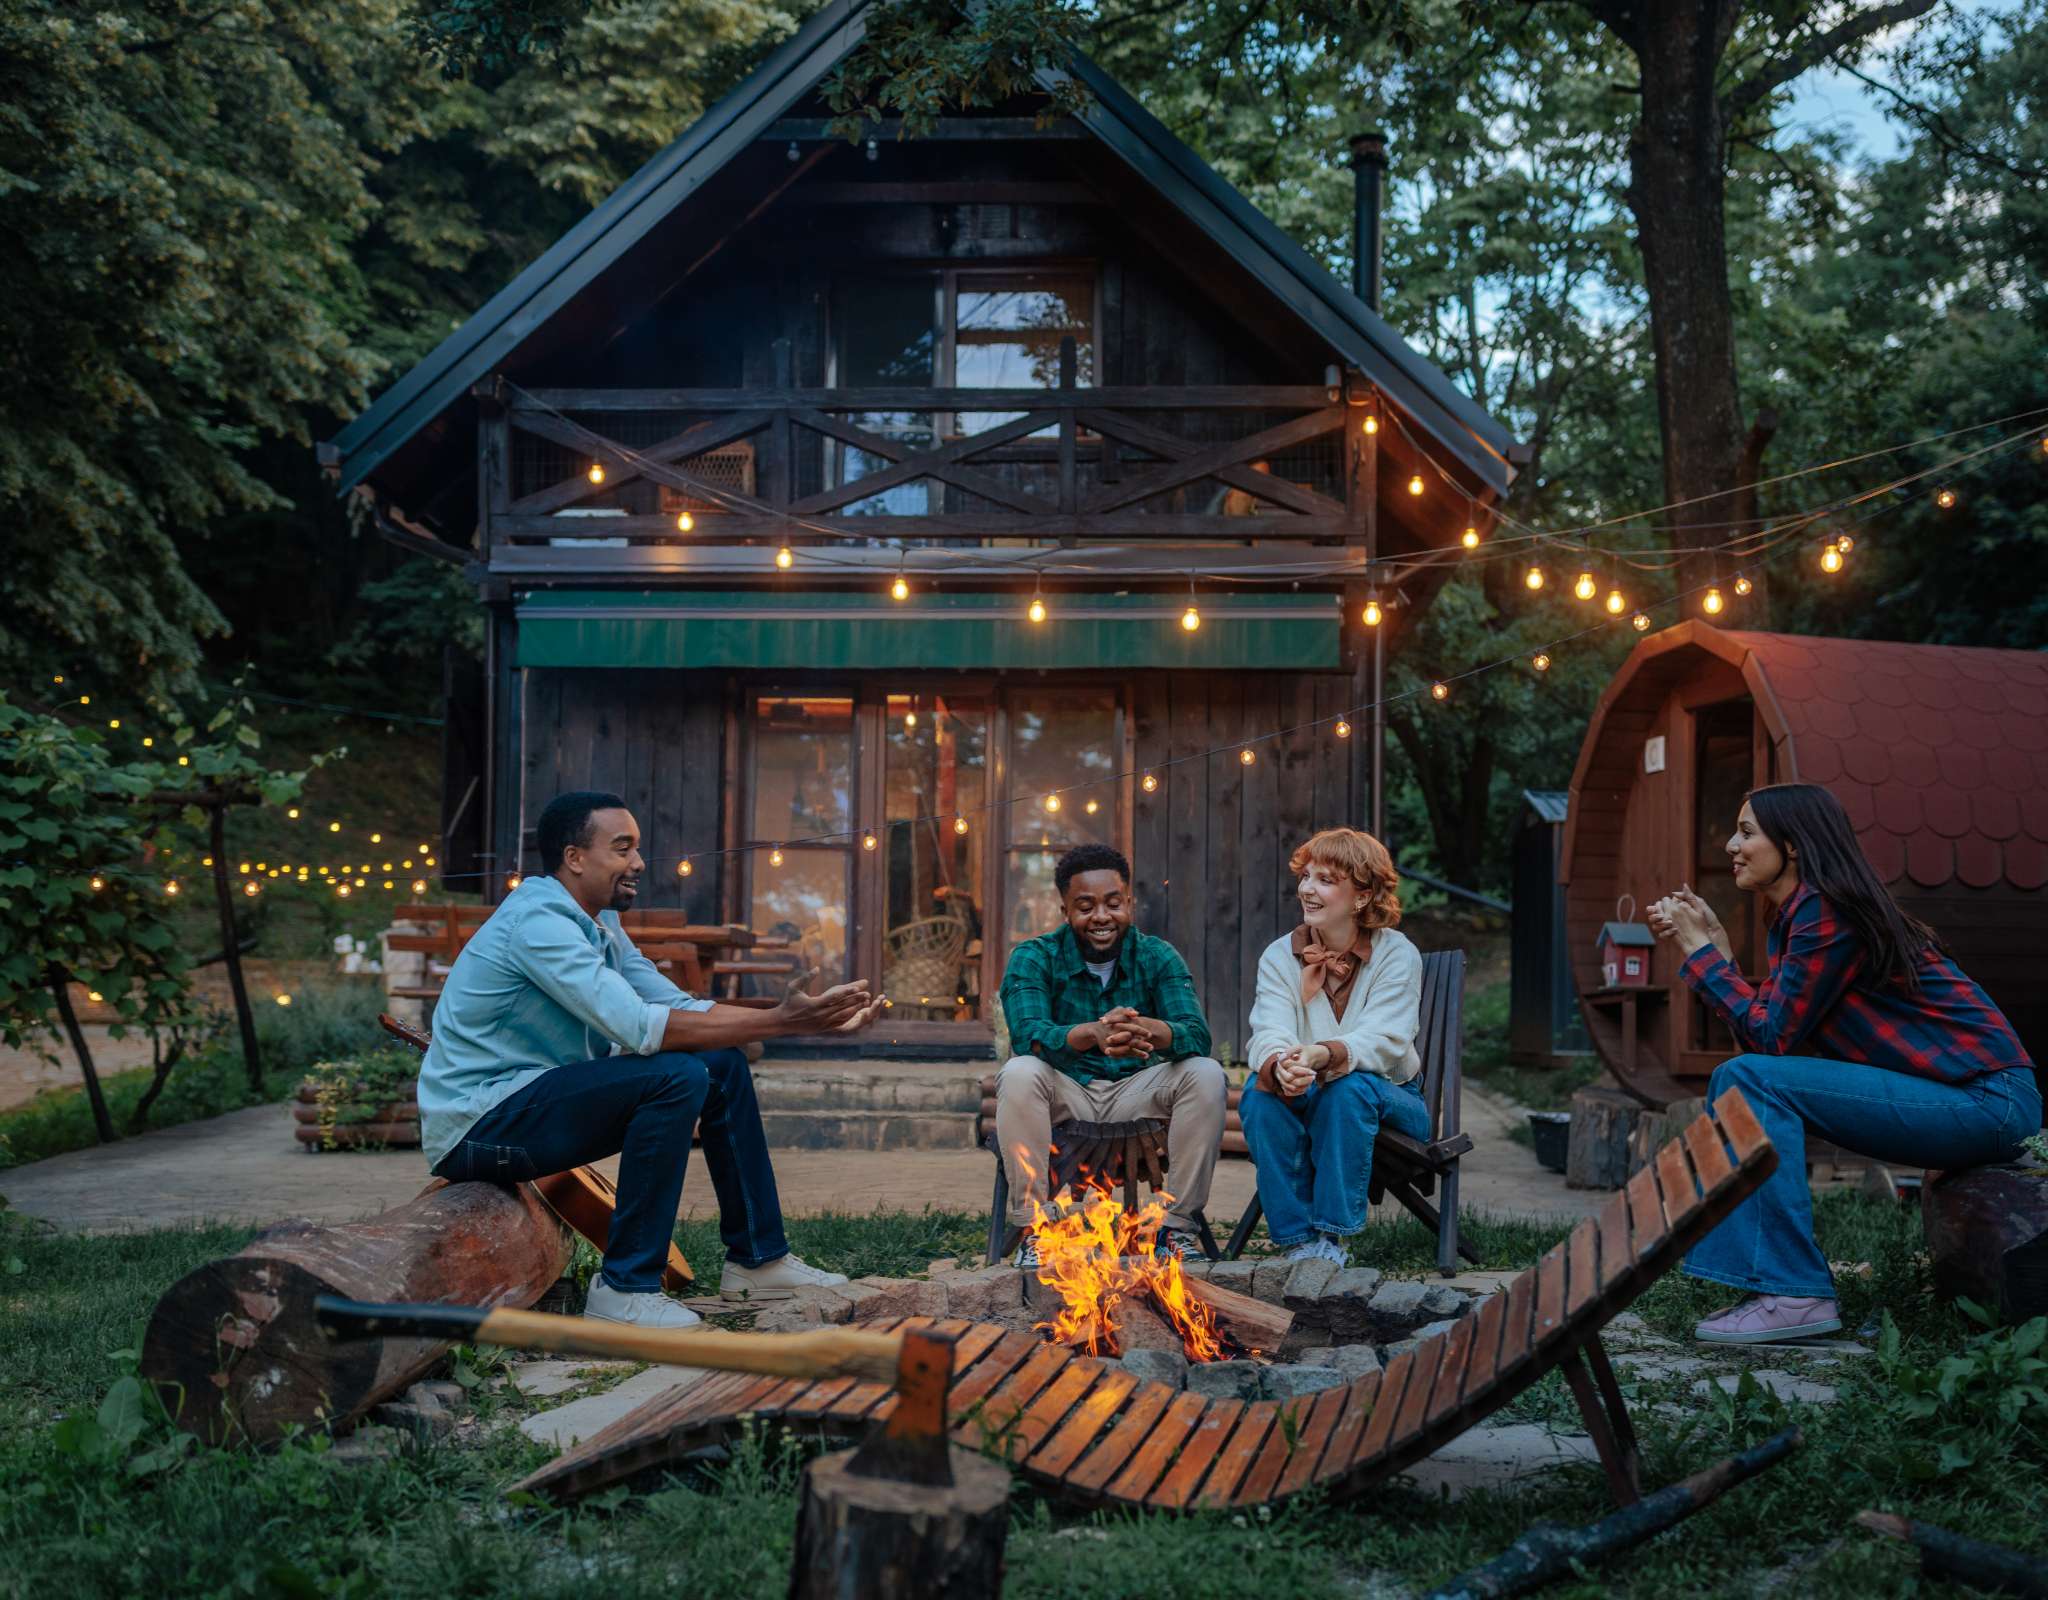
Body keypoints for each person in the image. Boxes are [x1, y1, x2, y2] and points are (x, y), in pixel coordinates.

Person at [419, 791, 886, 1330]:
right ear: (574, 857)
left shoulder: (597, 923)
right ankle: (624, 1288)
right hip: (478, 1124)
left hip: (532, 1098)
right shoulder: (538, 924)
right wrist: (784, 1022)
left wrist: (795, 1017)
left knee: (721, 1064)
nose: (639, 863)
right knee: (674, 1075)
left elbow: (676, 1006)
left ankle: (758, 1260)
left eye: (637, 848)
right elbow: (638, 1028)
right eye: (622, 849)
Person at [1649, 782, 2041, 1345]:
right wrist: (1720, 952)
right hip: (1967, 1098)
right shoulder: (1801, 917)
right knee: (1747, 1079)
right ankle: (1785, 1286)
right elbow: (1768, 1042)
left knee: (1744, 1079)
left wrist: (1702, 955)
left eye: (1747, 832)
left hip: (1989, 1100)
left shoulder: (1824, 913)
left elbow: (1772, 1044)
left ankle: (1795, 1293)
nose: (1731, 846)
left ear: (1796, 844)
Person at [996, 843, 1225, 1264]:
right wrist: (1091, 1033)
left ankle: (1176, 1229)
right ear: (1065, 910)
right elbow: (1028, 1035)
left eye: (1113, 903)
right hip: (1067, 1091)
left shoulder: (1157, 956)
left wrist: (1149, 1030)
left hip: (1136, 1089)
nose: (1101, 917)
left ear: (1129, 904)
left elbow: (1196, 1035)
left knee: (1205, 1073)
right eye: (1085, 906)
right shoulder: (1034, 957)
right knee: (1020, 1071)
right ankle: (1038, 1231)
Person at [1239, 827, 1428, 1263]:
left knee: (1348, 1089)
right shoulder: (1278, 955)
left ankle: (1331, 1237)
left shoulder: (1397, 954)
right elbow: (1269, 1026)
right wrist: (1282, 1063)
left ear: (1362, 897)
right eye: (1306, 877)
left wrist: (1323, 1053)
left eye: (1325, 880)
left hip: (1393, 1099)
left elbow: (1388, 1039)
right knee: (1259, 1094)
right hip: (1308, 1091)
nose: (1308, 889)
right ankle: (1297, 1241)